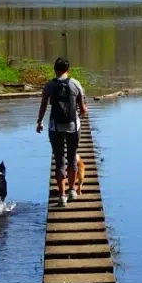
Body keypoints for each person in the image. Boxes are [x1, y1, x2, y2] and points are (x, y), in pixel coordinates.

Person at [36, 56, 89, 206]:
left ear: (55, 69)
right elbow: (83, 109)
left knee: (59, 160)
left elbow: (43, 105)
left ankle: (62, 196)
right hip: (73, 127)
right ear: (68, 69)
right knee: (72, 158)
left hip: (55, 127)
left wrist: (39, 122)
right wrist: (83, 113)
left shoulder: (49, 85)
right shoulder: (75, 84)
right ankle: (72, 190)